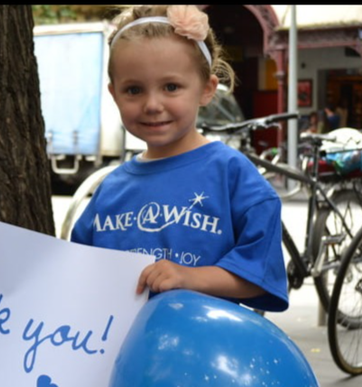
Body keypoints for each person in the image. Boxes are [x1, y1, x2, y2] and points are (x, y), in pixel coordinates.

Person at [71, 5, 288, 313]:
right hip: (122, 343)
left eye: (171, 87)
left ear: (207, 89)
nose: (152, 104)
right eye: (133, 89)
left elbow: (260, 275)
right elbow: (80, 277)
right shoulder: (110, 188)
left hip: (203, 341)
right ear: (114, 94)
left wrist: (189, 277)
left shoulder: (232, 174)